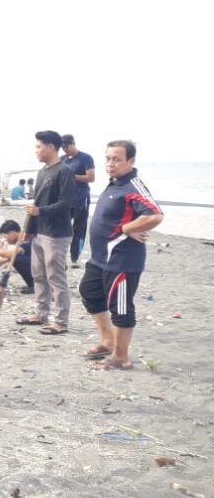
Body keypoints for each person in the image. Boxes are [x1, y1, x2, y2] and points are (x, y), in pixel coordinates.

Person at [80, 140, 162, 369]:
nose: (110, 164)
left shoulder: (133, 185)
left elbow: (154, 214)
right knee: (89, 292)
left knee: (121, 308)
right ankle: (107, 341)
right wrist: (128, 224)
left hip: (122, 261)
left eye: (116, 159)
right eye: (108, 158)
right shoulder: (115, 183)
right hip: (100, 259)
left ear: (131, 161)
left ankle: (121, 357)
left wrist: (128, 229)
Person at [21, 130, 76, 334]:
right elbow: (37, 202)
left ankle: (61, 321)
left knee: (56, 277)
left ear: (51, 147)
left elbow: (66, 204)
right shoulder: (42, 172)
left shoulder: (64, 171)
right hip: (40, 232)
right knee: (38, 275)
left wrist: (40, 211)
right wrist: (29, 230)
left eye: (38, 146)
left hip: (57, 234)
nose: (36, 150)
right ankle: (41, 313)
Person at [60, 134, 96, 266]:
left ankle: (74, 258)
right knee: (62, 227)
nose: (64, 149)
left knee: (79, 229)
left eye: (66, 146)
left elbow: (91, 178)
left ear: (73, 144)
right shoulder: (62, 159)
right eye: (62, 147)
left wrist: (72, 176)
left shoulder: (85, 158)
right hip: (64, 199)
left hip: (81, 199)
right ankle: (60, 256)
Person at [0, 219, 33, 293]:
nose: (5, 240)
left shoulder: (27, 239)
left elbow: (10, 255)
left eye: (5, 236)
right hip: (35, 267)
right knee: (15, 258)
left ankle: (35, 285)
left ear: (12, 233)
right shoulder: (20, 242)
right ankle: (32, 284)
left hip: (42, 269)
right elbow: (6, 258)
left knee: (16, 258)